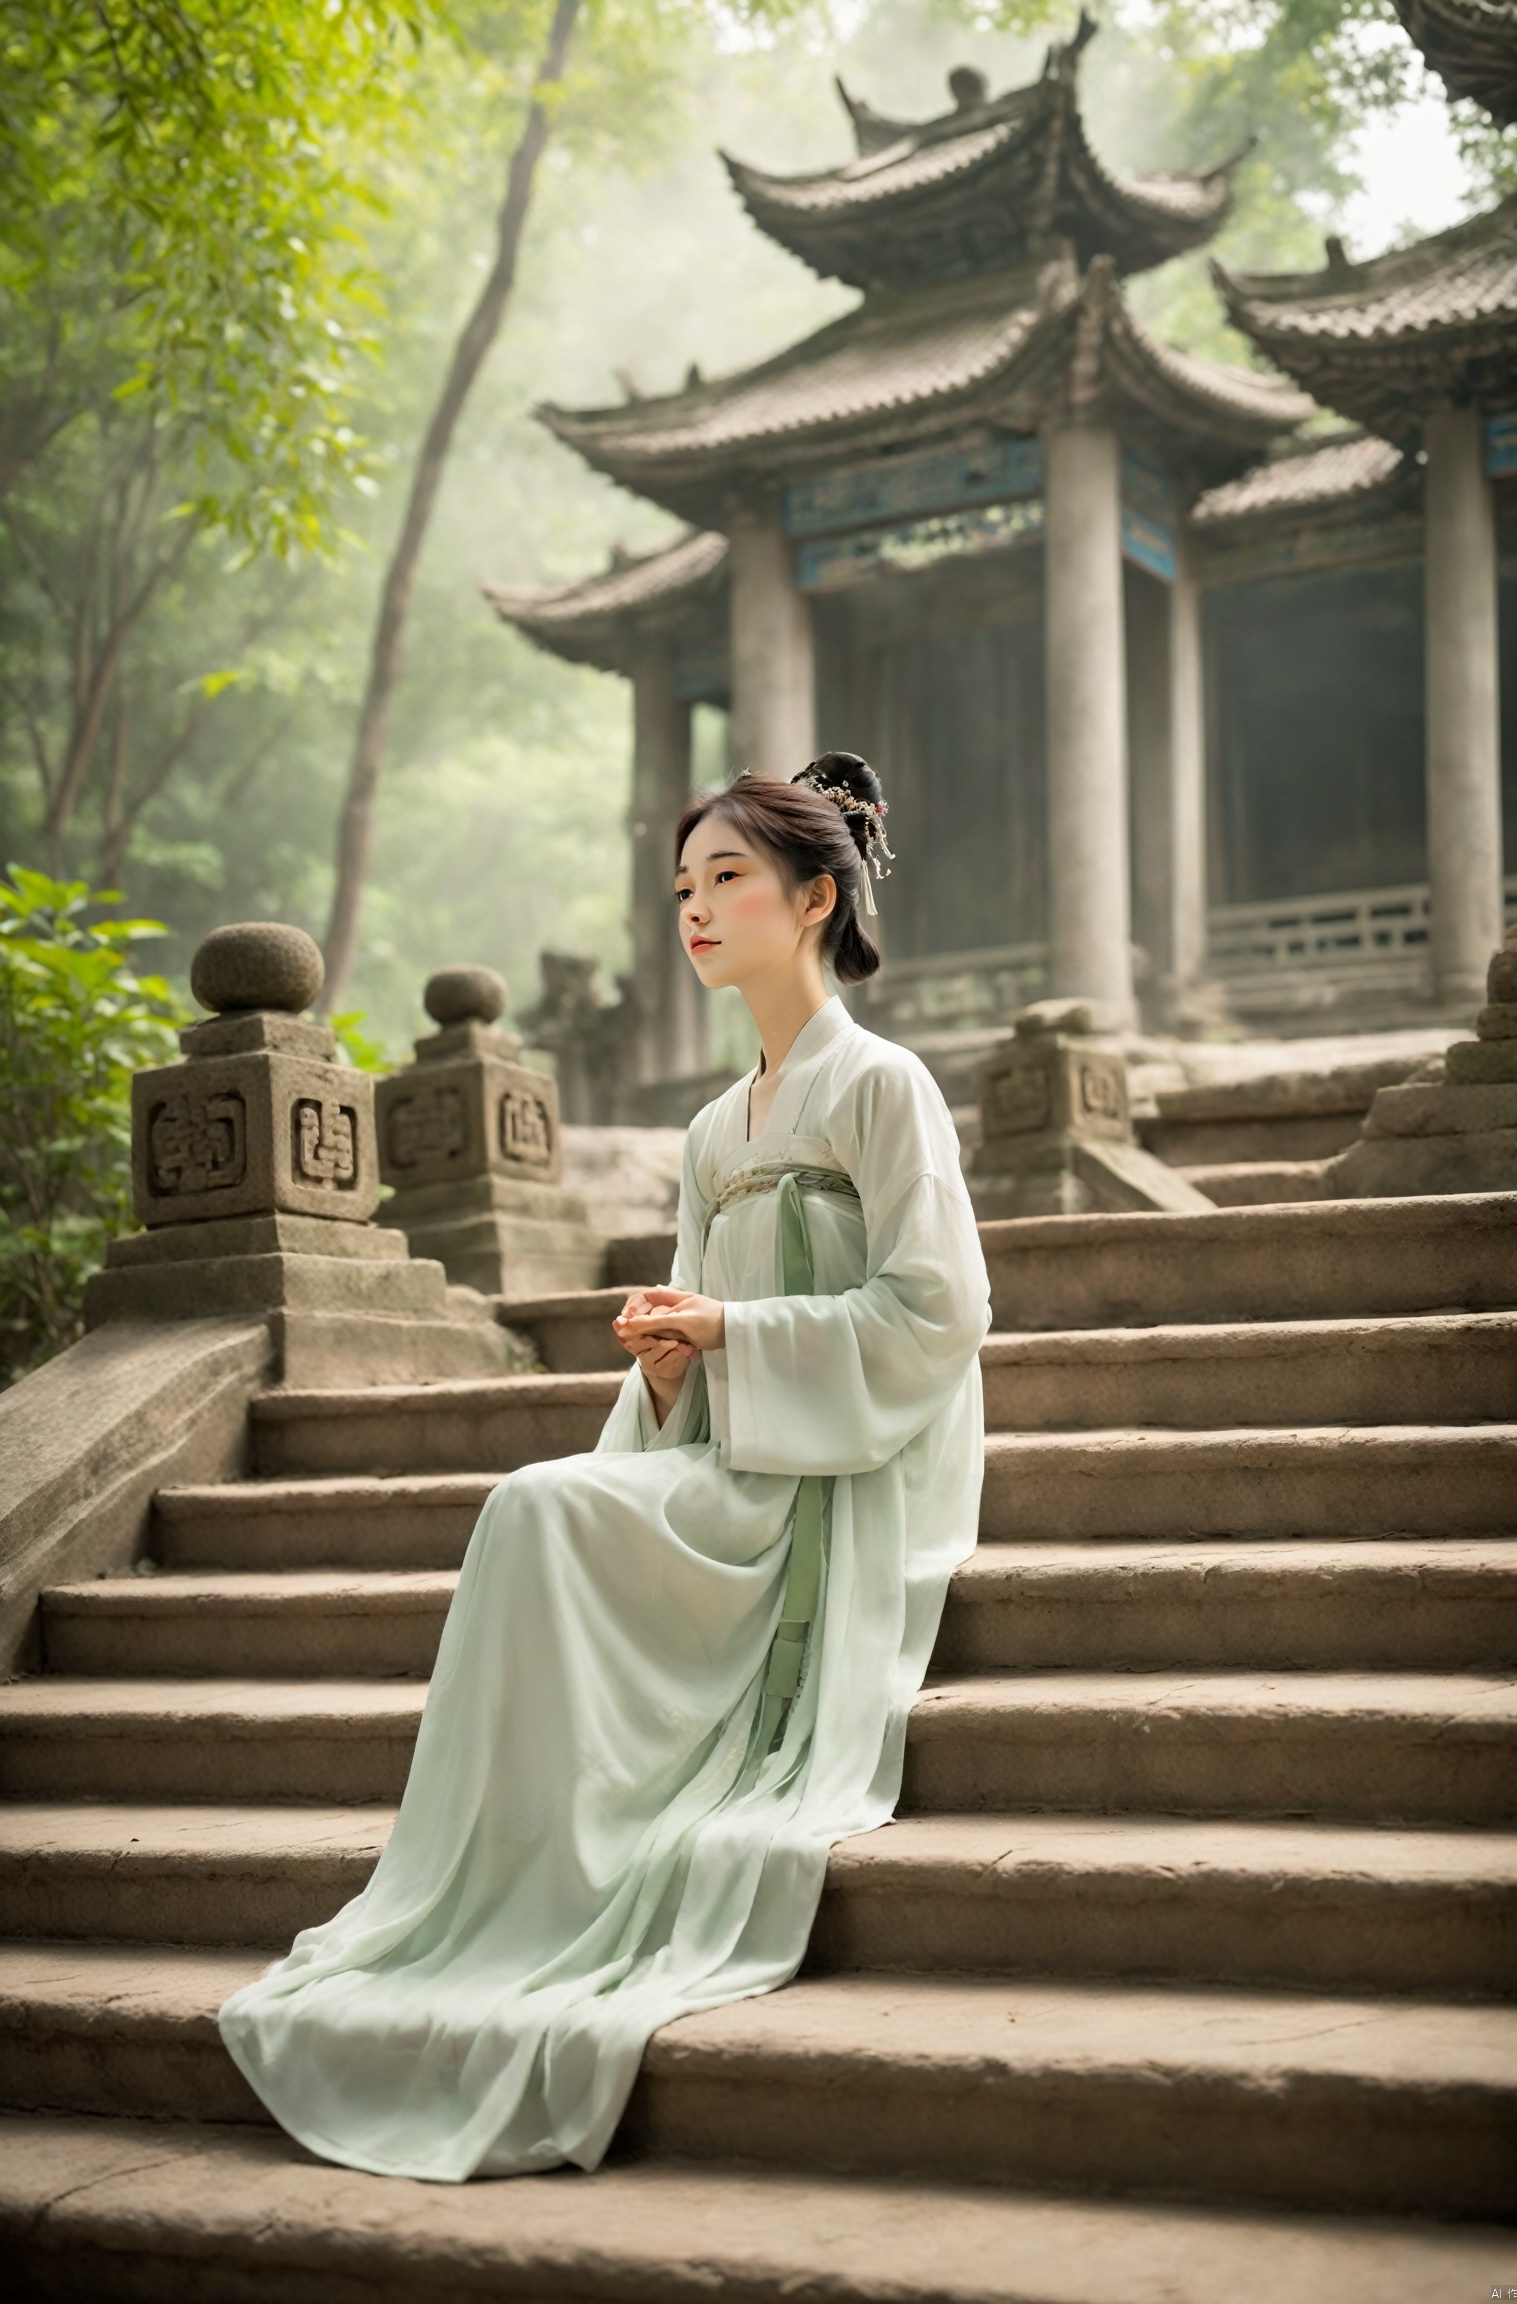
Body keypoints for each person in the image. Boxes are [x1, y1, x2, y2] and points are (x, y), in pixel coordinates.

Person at [218, 753, 991, 2183]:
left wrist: (737, 1330)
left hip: (852, 1470)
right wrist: (670, 1357)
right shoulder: (712, 1131)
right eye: (683, 886)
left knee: (539, 1509)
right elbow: (694, 1353)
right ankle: (514, 1876)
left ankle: (561, 1868)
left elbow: (941, 1311)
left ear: (815, 897)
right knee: (537, 1508)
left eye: (727, 880)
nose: (693, 910)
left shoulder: (886, 1087)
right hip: (739, 1447)